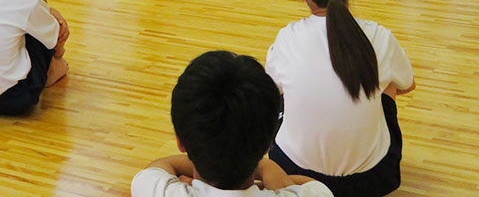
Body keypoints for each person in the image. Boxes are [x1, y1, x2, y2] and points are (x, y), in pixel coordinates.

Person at [265, 0, 415, 197]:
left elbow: (271, 92)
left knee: (279, 93)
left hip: (294, 175)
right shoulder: (379, 36)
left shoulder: (287, 38)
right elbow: (407, 85)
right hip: (374, 180)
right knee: (388, 82)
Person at [131, 50, 333, 196]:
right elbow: (313, 185)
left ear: (180, 141)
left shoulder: (151, 188)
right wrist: (267, 169)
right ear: (268, 144)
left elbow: (157, 167)